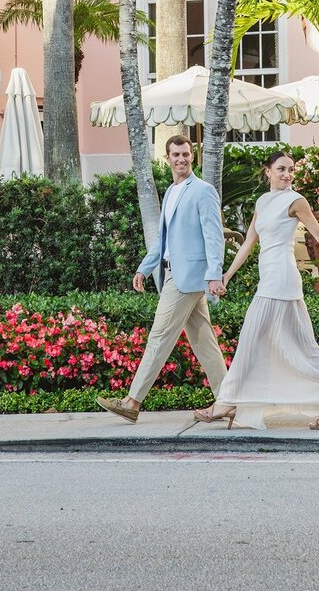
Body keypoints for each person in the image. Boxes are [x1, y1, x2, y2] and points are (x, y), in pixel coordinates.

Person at [194, 151, 319, 431]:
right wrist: (227, 275)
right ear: (268, 171)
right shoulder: (263, 202)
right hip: (271, 278)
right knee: (302, 344)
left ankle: (227, 402)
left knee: (252, 338)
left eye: (291, 169)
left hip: (281, 278)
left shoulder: (296, 201)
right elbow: (249, 242)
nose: (287, 174)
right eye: (281, 169)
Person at [96, 134, 228, 422]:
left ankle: (131, 402)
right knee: (205, 343)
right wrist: (144, 268)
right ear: (167, 158)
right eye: (176, 155)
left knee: (159, 337)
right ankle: (229, 400)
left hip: (186, 278)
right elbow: (162, 240)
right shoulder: (170, 192)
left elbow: (214, 236)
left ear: (193, 156)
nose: (181, 159)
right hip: (171, 272)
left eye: (186, 154)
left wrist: (214, 275)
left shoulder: (203, 190)